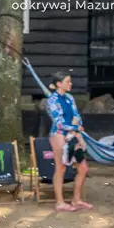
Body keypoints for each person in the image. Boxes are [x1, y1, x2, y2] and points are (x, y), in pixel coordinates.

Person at [45, 71, 91, 212]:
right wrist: (76, 127)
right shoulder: (52, 100)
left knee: (83, 168)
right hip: (59, 135)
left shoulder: (70, 98)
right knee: (61, 168)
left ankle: (76, 200)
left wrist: (77, 129)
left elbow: (76, 116)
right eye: (68, 81)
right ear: (59, 84)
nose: (70, 84)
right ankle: (60, 202)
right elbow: (58, 122)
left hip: (73, 134)